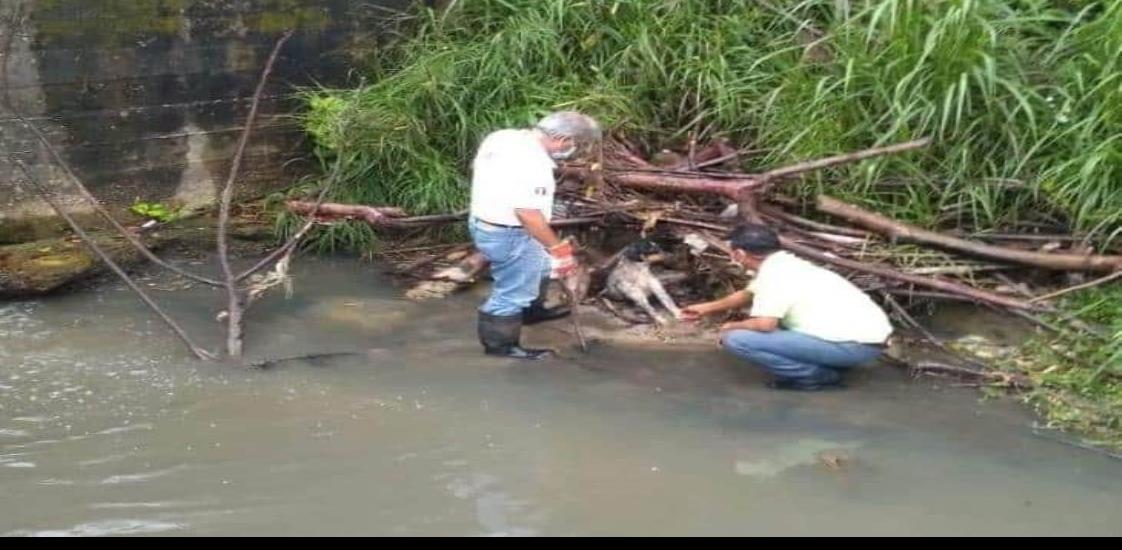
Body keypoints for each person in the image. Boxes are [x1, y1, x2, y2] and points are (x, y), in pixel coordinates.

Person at [682, 224, 893, 390]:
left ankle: (816, 377)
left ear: (739, 254)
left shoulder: (774, 276)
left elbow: (765, 325)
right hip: (866, 341)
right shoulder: (785, 264)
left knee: (737, 339)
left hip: (854, 347)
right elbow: (747, 295)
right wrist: (706, 308)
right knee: (769, 328)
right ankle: (828, 364)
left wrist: (732, 326)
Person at [468, 111, 603, 359]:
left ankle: (531, 311)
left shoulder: (504, 137)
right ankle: (501, 347)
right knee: (512, 291)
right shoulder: (534, 165)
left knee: (538, 268)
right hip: (510, 232)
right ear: (561, 138)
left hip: (485, 221)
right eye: (574, 143)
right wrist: (558, 249)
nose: (573, 148)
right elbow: (528, 215)